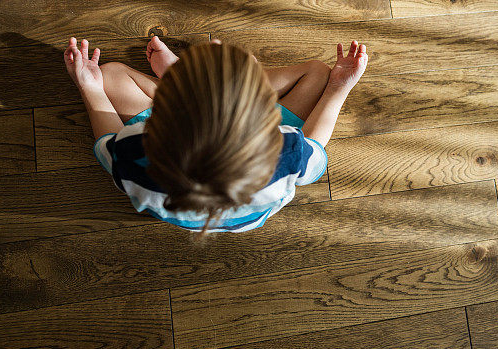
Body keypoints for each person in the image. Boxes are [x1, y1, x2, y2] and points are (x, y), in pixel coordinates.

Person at [63, 35, 367, 234]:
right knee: (316, 72)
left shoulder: (135, 151)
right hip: (242, 208)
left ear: (167, 109)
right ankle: (204, 79)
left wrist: (89, 87)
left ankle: (193, 78)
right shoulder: (285, 151)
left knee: (112, 75)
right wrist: (339, 87)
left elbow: (106, 147)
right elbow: (316, 147)